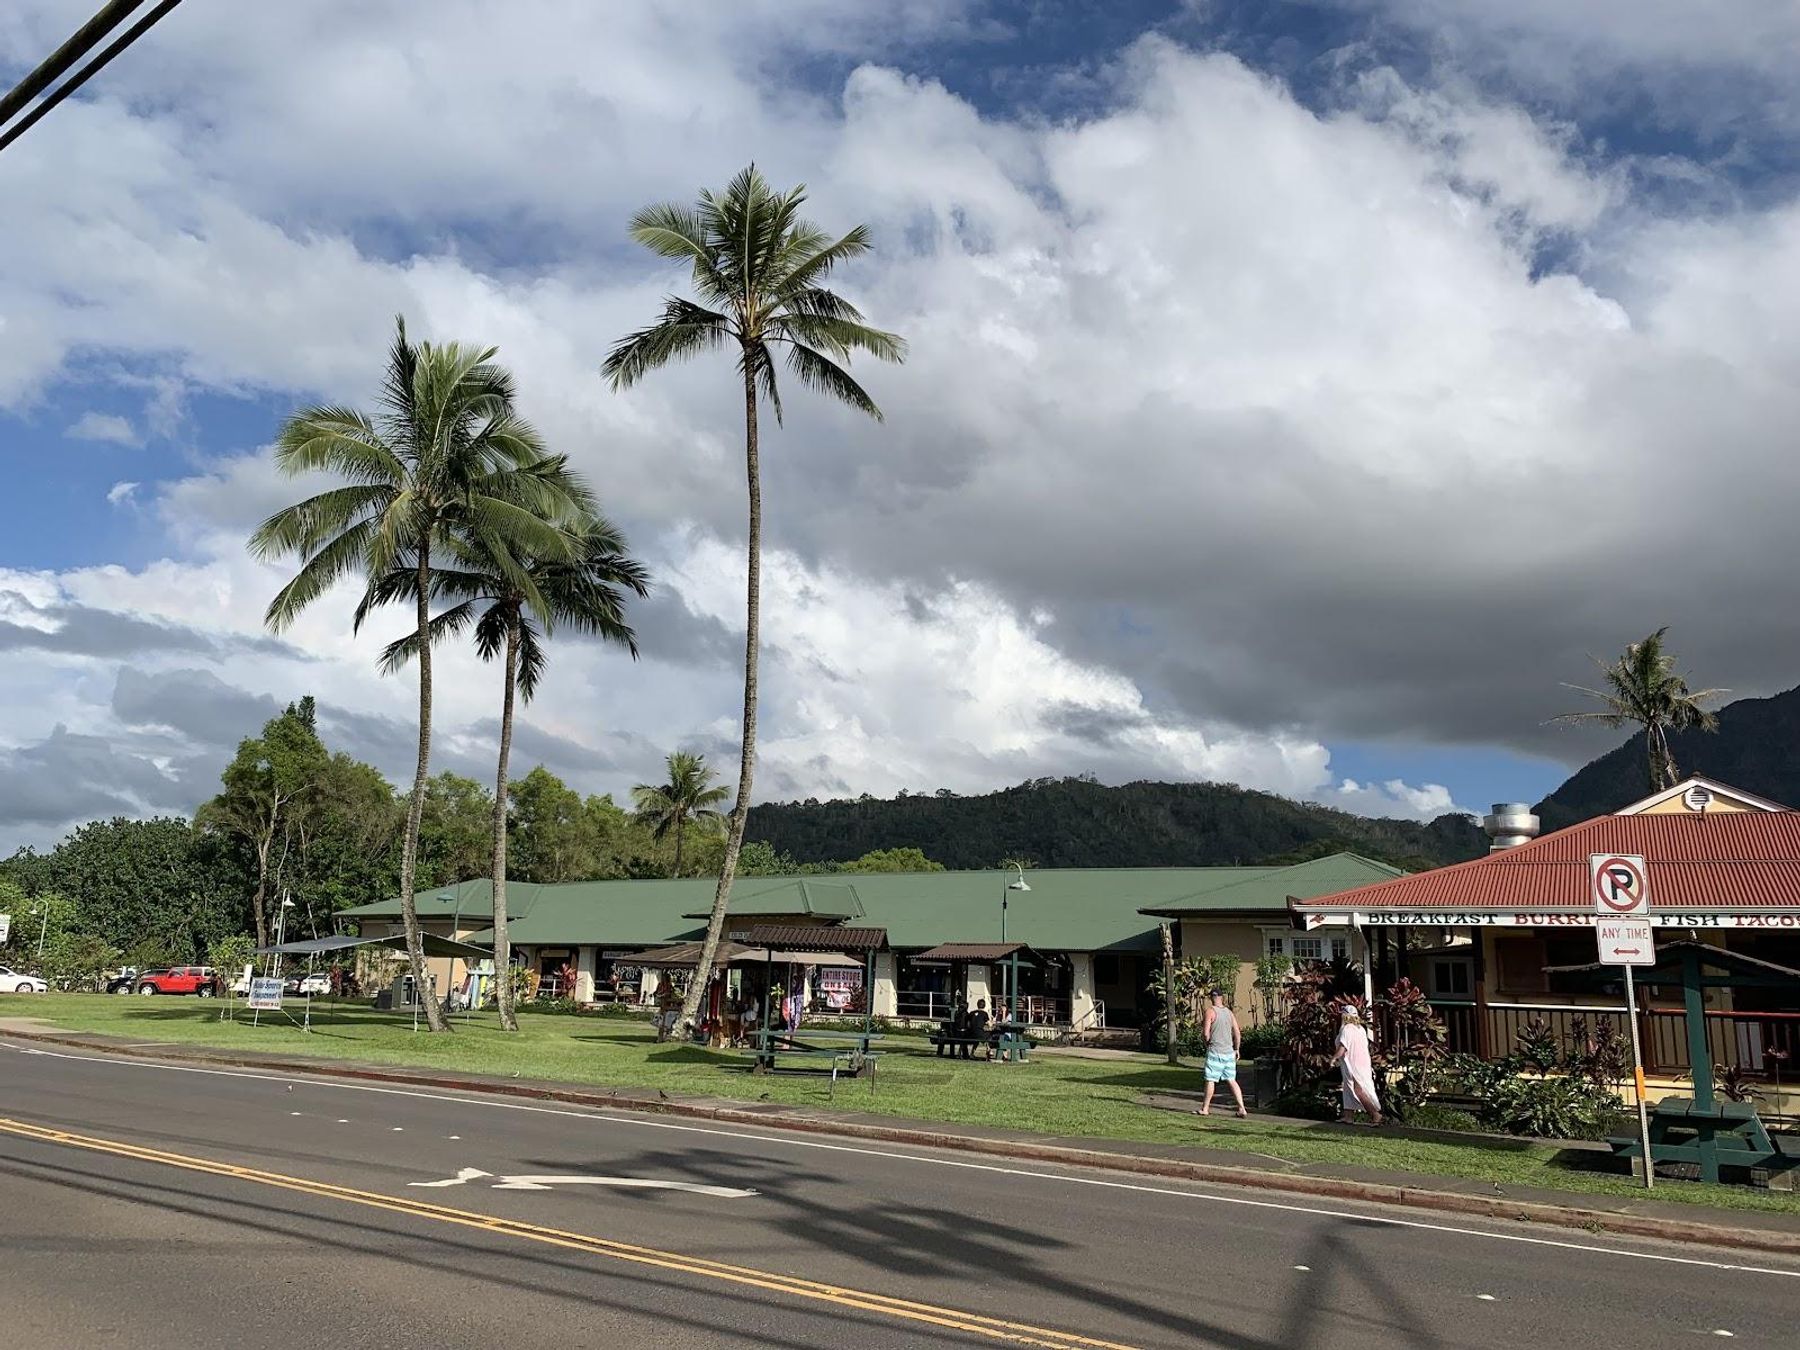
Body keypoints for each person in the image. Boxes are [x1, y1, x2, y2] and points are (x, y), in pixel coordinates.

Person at [1331, 1005, 1383, 1125]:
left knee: (1358, 1090)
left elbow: (1343, 1047)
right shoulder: (1360, 1029)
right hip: (1362, 1063)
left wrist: (1334, 1058)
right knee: (1348, 1088)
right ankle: (1348, 1116)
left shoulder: (1347, 1029)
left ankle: (1375, 1115)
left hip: (1353, 1064)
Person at [1199, 989, 1248, 1118]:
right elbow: (1237, 1033)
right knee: (1232, 1080)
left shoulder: (1210, 1011)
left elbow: (1205, 1033)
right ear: (1222, 997)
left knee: (1210, 1079)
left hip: (1215, 1051)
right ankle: (1242, 1108)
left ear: (1211, 998)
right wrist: (1237, 1049)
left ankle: (1205, 1108)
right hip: (1229, 1052)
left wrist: (1206, 1043)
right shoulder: (1229, 1013)